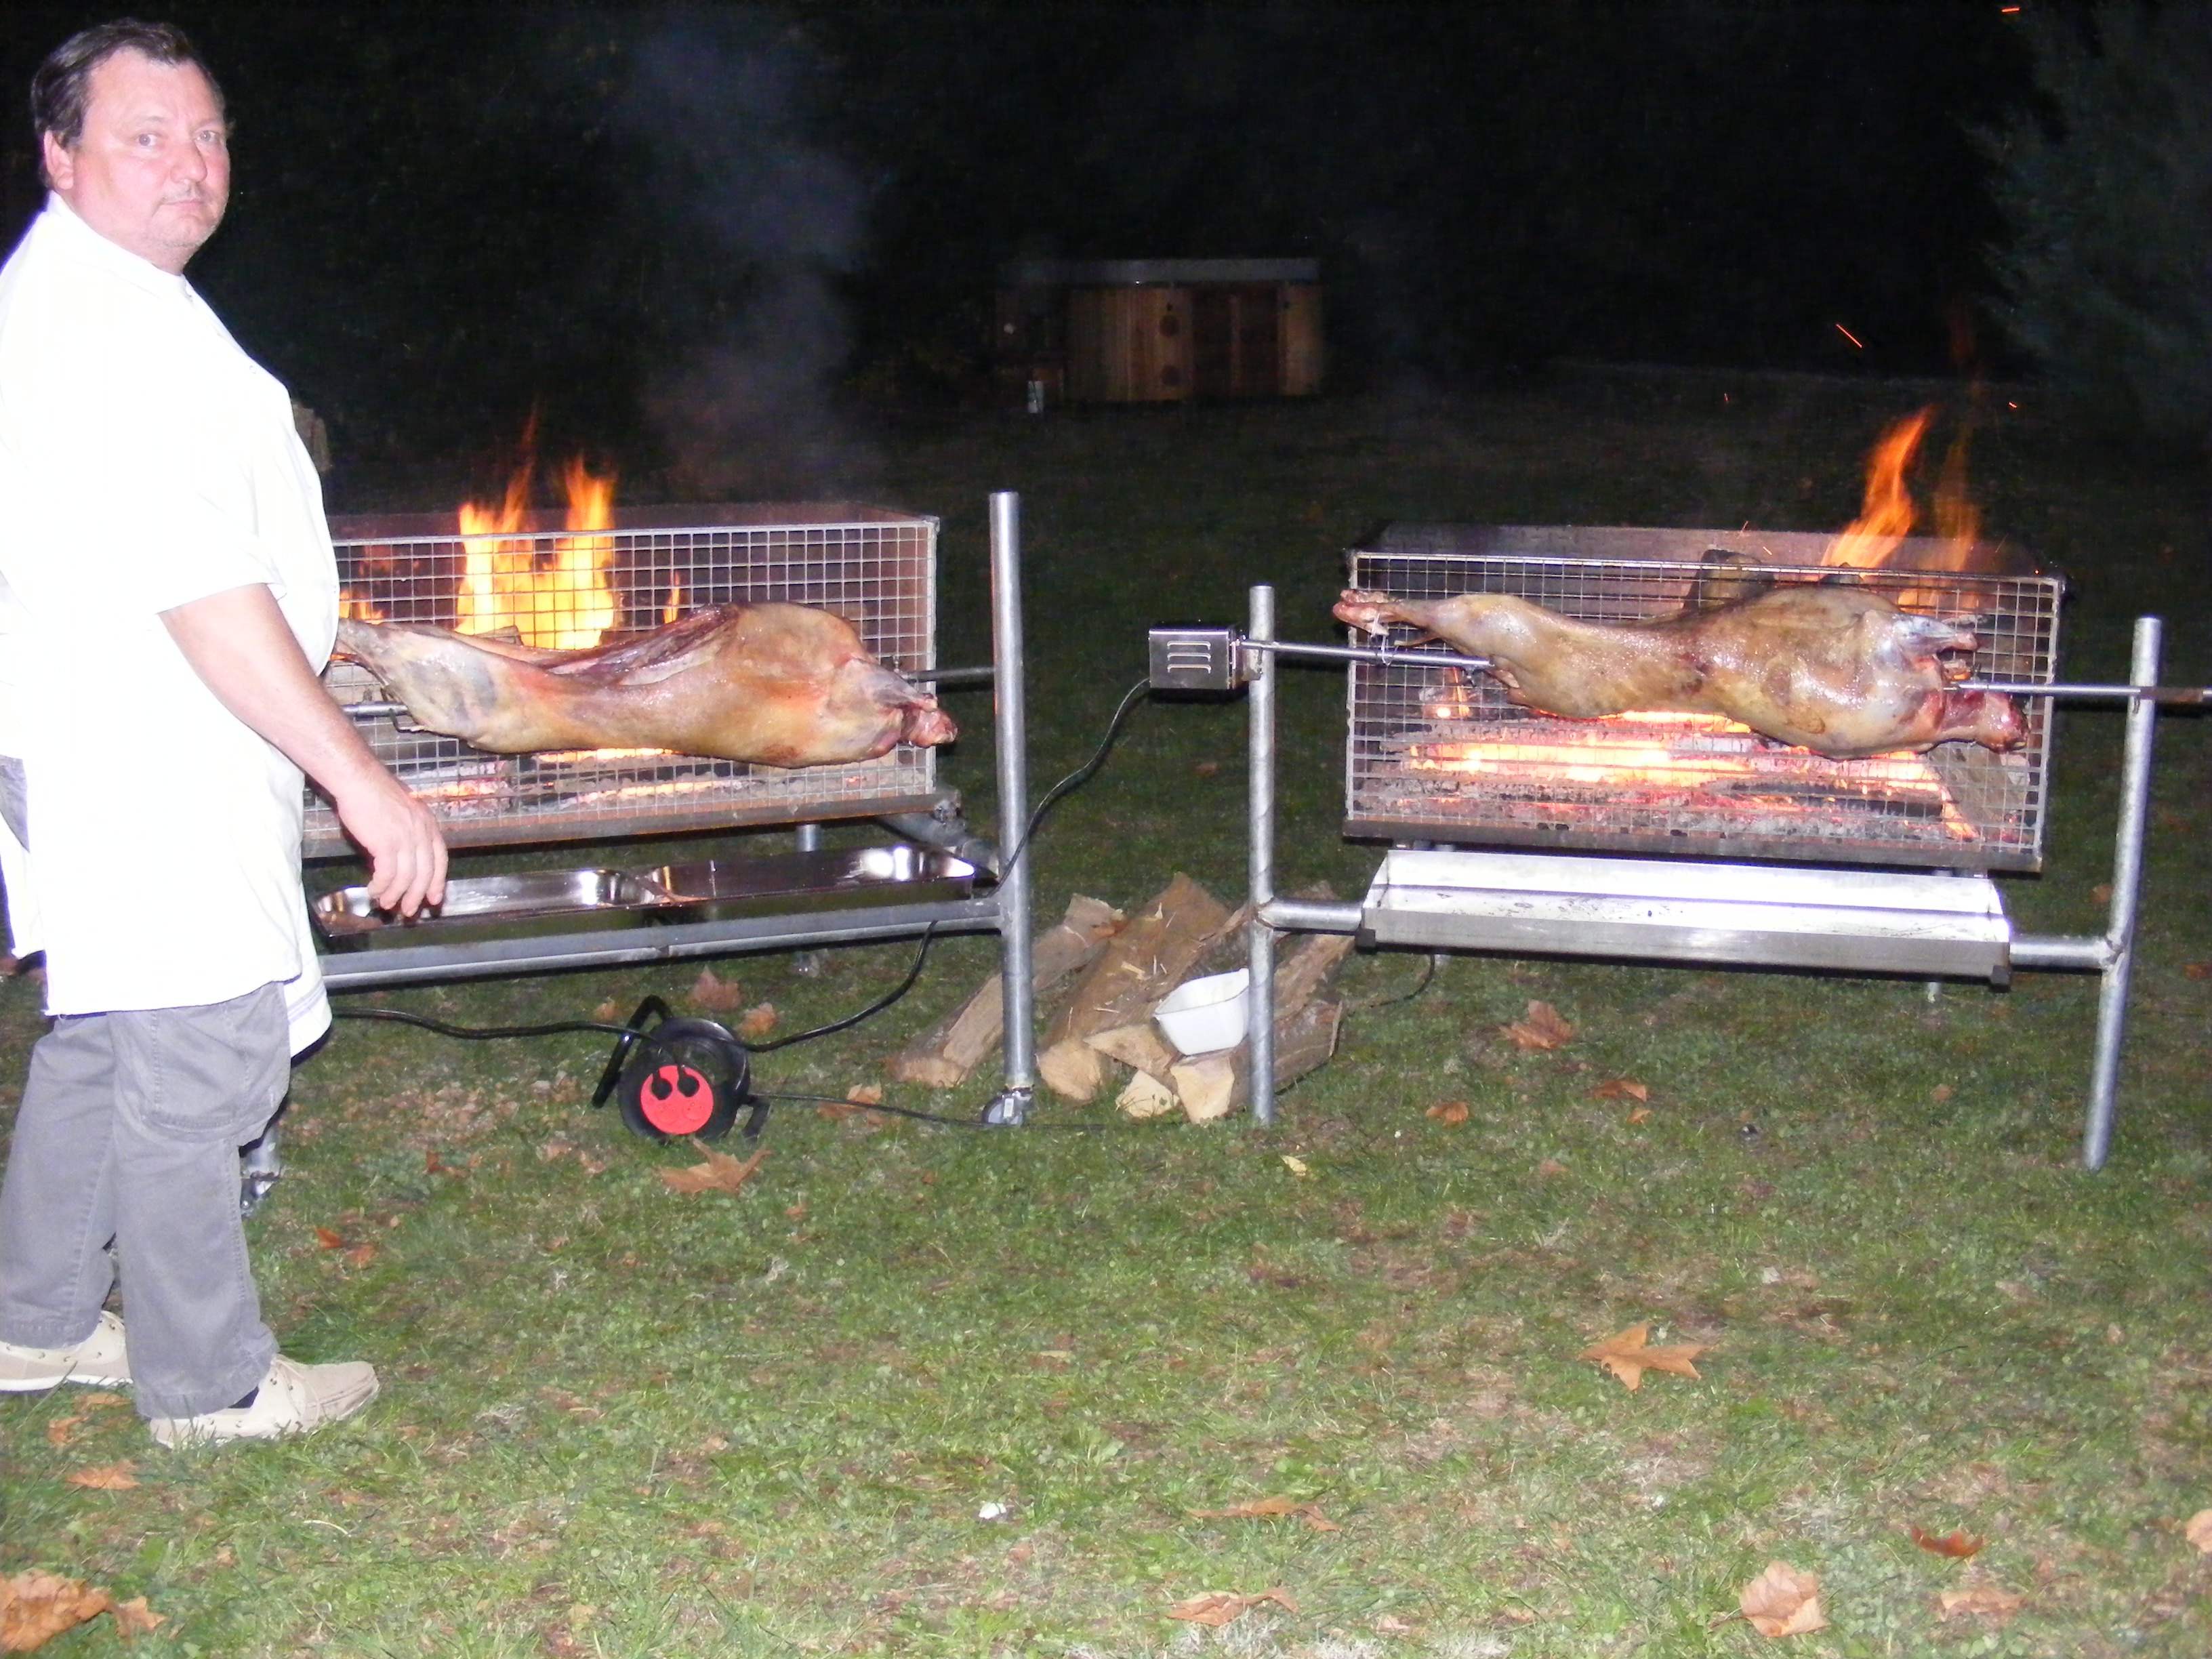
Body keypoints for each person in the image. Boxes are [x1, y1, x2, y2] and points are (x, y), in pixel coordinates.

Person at [0, 20, 446, 1446]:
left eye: (209, 136)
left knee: (109, 1039)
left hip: (101, 738)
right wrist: (363, 782)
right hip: (140, 751)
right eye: (147, 136)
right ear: (59, 155)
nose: (192, 167)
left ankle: (36, 1320)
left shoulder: (107, 293)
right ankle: (209, 1384)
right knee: (199, 1058)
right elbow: (201, 590)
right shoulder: (90, 326)